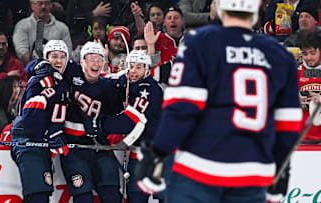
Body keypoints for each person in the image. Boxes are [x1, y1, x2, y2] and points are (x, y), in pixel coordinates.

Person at [135, 0, 303, 203]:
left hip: (202, 167)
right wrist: (282, 170)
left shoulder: (200, 41)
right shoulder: (279, 54)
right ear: (258, 6)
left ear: (221, 6)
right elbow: (288, 123)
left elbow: (182, 109)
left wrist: (157, 152)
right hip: (252, 172)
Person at [102, 50, 169, 203]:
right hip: (138, 152)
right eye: (131, 66)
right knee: (135, 197)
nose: (133, 71)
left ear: (147, 69)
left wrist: (99, 125)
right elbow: (105, 81)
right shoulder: (127, 81)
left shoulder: (149, 89)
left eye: (138, 67)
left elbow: (129, 122)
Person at [62, 41, 124, 203]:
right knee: (83, 198)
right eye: (91, 59)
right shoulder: (70, 74)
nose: (95, 63)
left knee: (112, 194)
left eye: (99, 59)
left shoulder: (110, 87)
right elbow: (42, 64)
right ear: (82, 61)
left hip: (100, 149)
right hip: (75, 150)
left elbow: (115, 114)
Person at [10, 40, 70, 203]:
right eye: (54, 56)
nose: (58, 61)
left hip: (39, 143)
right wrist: (51, 133)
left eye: (62, 57)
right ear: (46, 59)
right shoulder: (41, 81)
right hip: (28, 140)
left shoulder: (61, 82)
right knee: (38, 195)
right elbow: (30, 120)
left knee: (41, 193)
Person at [13, 0, 72, 65]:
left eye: (46, 3)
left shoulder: (62, 27)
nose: (43, 6)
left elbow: (67, 53)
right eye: (39, 3)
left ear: (50, 5)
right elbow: (22, 53)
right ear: (32, 6)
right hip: (30, 69)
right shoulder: (22, 25)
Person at [298, 32, 321, 142]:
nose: (309, 58)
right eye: (305, 54)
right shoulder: (295, 72)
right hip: (302, 138)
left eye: (313, 53)